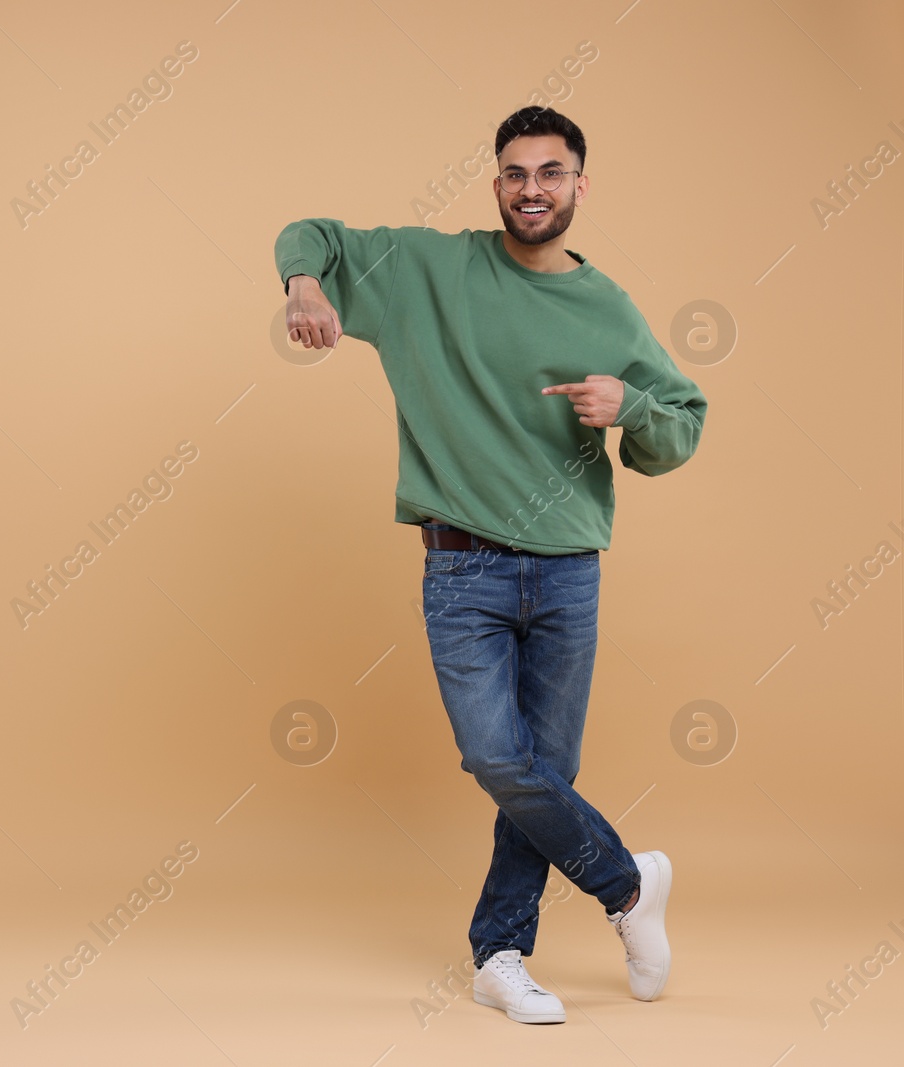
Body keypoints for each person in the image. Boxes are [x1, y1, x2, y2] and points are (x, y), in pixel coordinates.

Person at [273, 105, 705, 1025]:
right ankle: (630, 887)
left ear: (580, 185)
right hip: (461, 568)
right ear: (496, 181)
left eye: (551, 173)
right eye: (515, 172)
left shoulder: (607, 306)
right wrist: (306, 285)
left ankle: (500, 953)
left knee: (544, 766)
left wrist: (630, 403)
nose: (531, 189)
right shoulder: (428, 271)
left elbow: (679, 430)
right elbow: (310, 232)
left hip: (568, 574)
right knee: (497, 757)